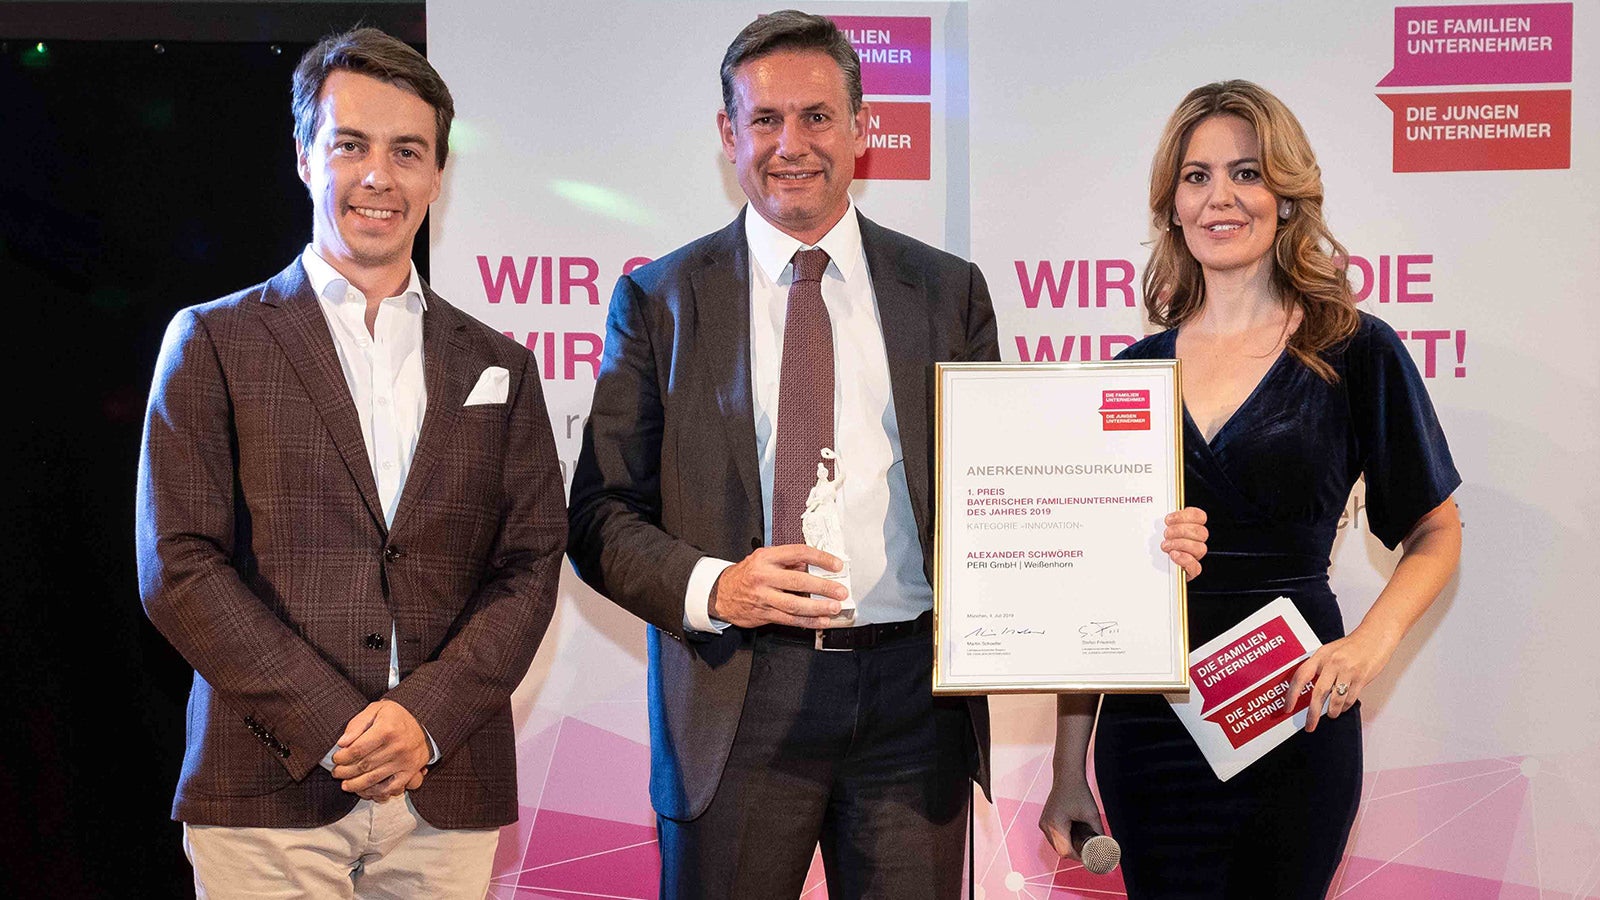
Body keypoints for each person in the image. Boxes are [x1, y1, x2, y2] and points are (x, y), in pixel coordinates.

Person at [566, 11, 1209, 899]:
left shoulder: (947, 291)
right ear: (727, 135)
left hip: (914, 706)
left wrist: (1128, 543)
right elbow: (600, 514)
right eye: (764, 120)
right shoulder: (659, 299)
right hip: (735, 697)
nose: (792, 144)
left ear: (863, 128)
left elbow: (1015, 490)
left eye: (818, 117)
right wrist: (719, 587)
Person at [135, 27, 566, 898]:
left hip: (445, 790)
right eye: (351, 145)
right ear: (304, 156)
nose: (379, 176)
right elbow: (177, 565)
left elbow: (529, 565)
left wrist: (425, 719)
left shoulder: (500, 364)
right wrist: (339, 725)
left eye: (407, 151)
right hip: (265, 790)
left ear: (437, 173)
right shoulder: (214, 340)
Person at [1039, 80, 1463, 898]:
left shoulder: (1353, 350)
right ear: (1171, 204)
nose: (1219, 198)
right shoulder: (1129, 376)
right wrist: (1065, 770)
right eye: (1196, 177)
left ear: (1287, 196)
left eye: (1246, 172)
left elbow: (1436, 532)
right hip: (1148, 733)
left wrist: (1367, 648)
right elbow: (1088, 596)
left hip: (1293, 714)